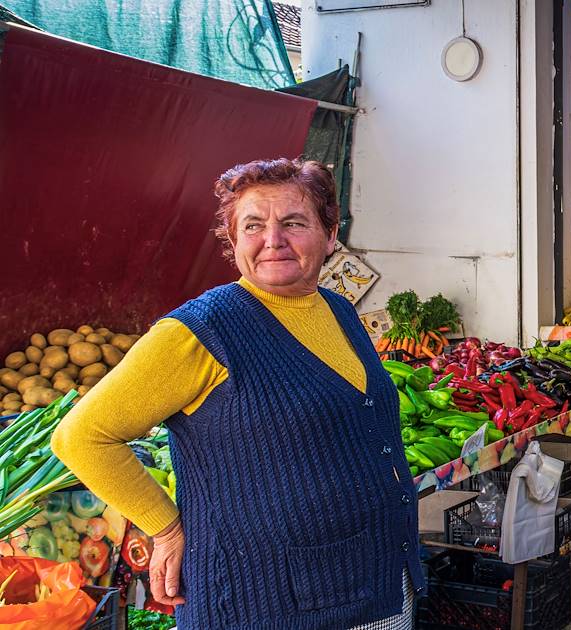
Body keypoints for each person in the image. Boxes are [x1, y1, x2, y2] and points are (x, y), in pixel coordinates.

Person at [52, 158, 422, 629]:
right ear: (233, 241)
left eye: (293, 222)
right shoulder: (202, 331)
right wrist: (164, 529)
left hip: (375, 580)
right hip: (265, 602)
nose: (273, 240)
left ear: (330, 236)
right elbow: (82, 436)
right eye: (253, 226)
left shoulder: (339, 310)